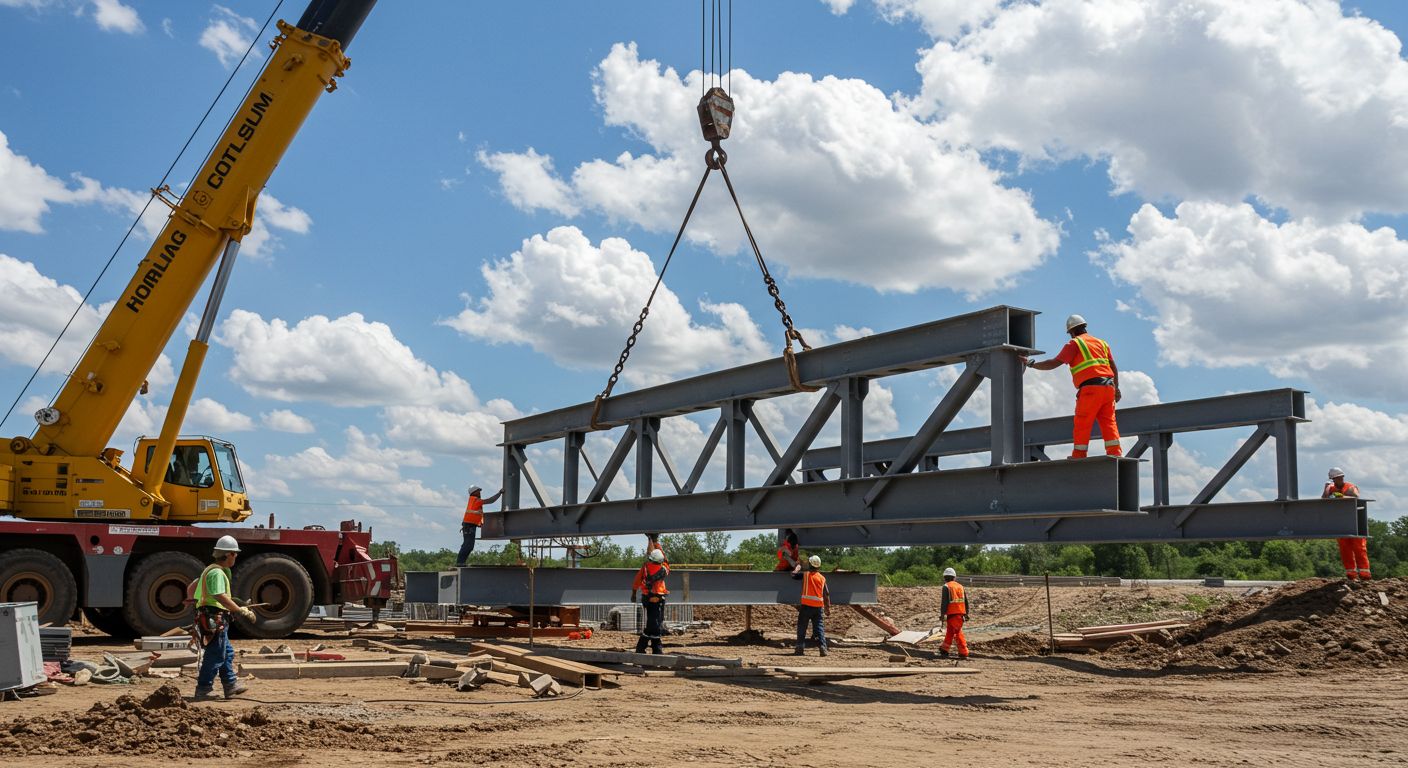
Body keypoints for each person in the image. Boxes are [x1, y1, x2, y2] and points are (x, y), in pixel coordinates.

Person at [1024, 314, 1122, 458]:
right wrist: (1117, 388)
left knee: (1083, 421)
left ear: (1072, 332)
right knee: (1109, 422)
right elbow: (1113, 366)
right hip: (1108, 388)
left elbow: (1053, 363)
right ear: (1085, 327)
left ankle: (1079, 454)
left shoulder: (1075, 344)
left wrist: (1031, 364)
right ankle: (1115, 453)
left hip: (1090, 389)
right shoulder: (1102, 343)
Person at [192, 536, 257, 700]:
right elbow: (219, 595)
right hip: (214, 618)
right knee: (215, 654)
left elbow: (212, 594)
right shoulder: (216, 572)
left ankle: (230, 685)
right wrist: (239, 610)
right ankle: (203, 688)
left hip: (213, 617)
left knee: (226, 652)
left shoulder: (212, 570)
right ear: (227, 554)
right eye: (234, 554)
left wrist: (238, 603)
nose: (235, 557)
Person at [1323, 467, 1371, 580]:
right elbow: (1324, 499)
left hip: (1355, 523)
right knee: (1345, 548)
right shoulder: (1332, 488)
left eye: (1336, 479)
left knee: (1359, 548)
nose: (1335, 481)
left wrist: (1342, 497)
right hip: (1341, 523)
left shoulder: (1350, 487)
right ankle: (1351, 574)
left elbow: (1356, 496)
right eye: (1333, 480)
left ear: (1342, 477)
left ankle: (1365, 574)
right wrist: (1326, 488)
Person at [631, 548, 670, 654]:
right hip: (657, 599)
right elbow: (667, 561)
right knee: (656, 624)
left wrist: (634, 594)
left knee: (653, 623)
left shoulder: (645, 568)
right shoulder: (663, 569)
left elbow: (637, 581)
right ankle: (655, 649)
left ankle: (642, 648)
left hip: (647, 598)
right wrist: (656, 542)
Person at [457, 485, 503, 567]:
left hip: (469, 526)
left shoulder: (473, 500)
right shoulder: (475, 500)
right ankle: (460, 562)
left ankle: (461, 562)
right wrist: (499, 493)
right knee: (468, 545)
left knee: (468, 545)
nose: (480, 492)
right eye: (478, 491)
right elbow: (490, 500)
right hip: (469, 526)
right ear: (474, 492)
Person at [794, 555, 831, 656]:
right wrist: (827, 608)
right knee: (819, 627)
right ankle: (823, 647)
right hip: (818, 608)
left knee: (802, 627)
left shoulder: (805, 575)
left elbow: (793, 576)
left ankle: (799, 648)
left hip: (806, 606)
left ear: (810, 564)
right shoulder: (822, 578)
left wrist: (797, 568)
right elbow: (826, 593)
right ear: (818, 566)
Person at [938, 567, 969, 660]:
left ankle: (964, 652)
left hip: (952, 613)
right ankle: (944, 649)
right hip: (960, 613)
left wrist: (942, 615)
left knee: (957, 632)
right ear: (954, 577)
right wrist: (966, 613)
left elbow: (944, 603)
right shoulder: (960, 586)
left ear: (945, 577)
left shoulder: (946, 586)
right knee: (950, 631)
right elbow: (966, 601)